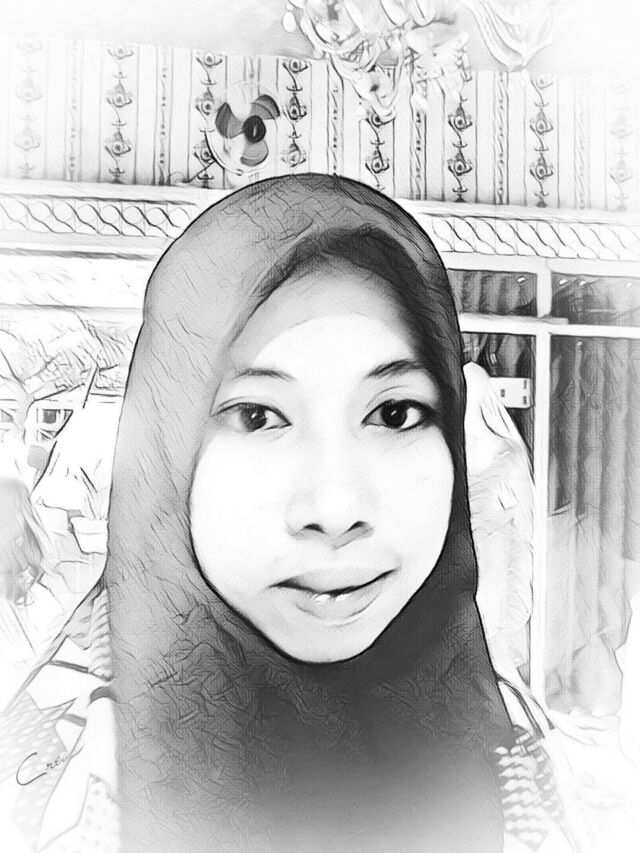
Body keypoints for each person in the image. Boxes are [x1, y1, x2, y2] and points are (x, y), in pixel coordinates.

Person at [105, 173, 515, 853]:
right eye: (257, 416)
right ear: (166, 454)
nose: (335, 509)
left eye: (395, 413)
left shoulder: (517, 765)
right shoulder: (54, 787)